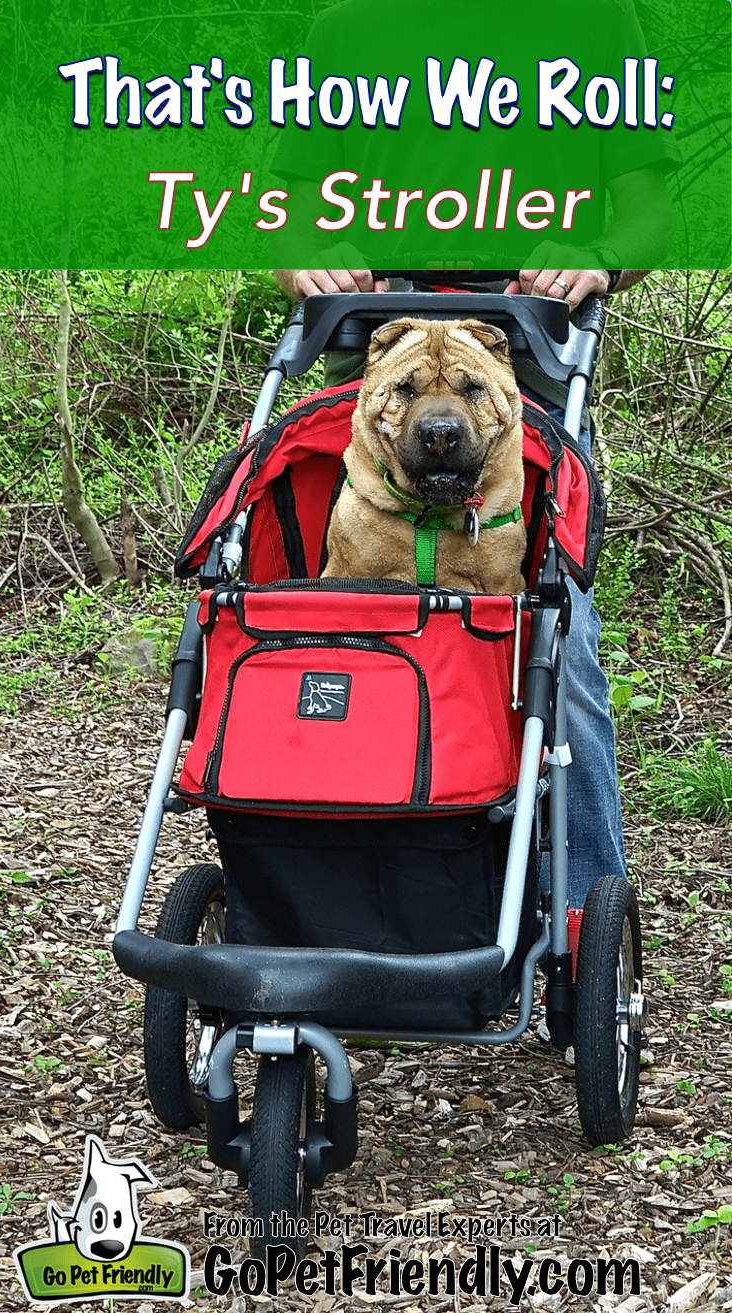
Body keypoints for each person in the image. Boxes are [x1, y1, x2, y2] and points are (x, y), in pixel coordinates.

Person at [273, 258, 649, 916]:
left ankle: (582, 928)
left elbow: (650, 210)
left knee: (563, 663)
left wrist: (602, 257)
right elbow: (286, 217)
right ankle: (318, 891)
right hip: (359, 407)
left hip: (534, 398)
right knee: (329, 660)